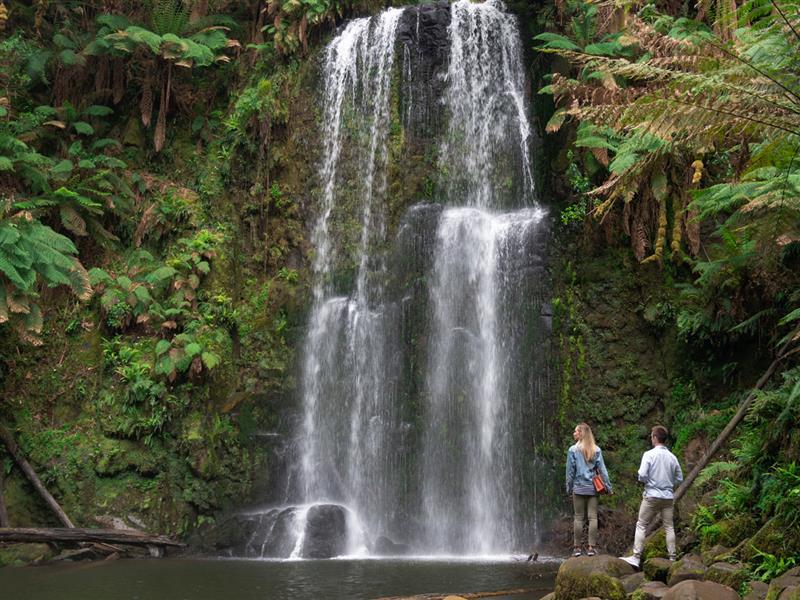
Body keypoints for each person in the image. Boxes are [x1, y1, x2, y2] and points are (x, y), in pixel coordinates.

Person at [620, 425, 684, 569]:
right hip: (667, 497)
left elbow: (642, 475)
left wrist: (650, 481)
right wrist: (668, 483)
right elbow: (680, 478)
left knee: (641, 524)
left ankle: (636, 557)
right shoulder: (672, 457)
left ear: (655, 438)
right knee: (669, 527)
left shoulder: (648, 455)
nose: (651, 438)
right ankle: (672, 558)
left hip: (651, 496)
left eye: (651, 436)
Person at [566, 422, 612, 557]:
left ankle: (577, 548)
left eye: (576, 431)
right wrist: (608, 487)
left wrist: (569, 488)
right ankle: (591, 548)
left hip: (579, 488)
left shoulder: (572, 450)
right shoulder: (596, 450)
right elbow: (603, 471)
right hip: (593, 488)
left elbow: (570, 472)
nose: (573, 433)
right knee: (593, 518)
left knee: (578, 518)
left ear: (581, 434)